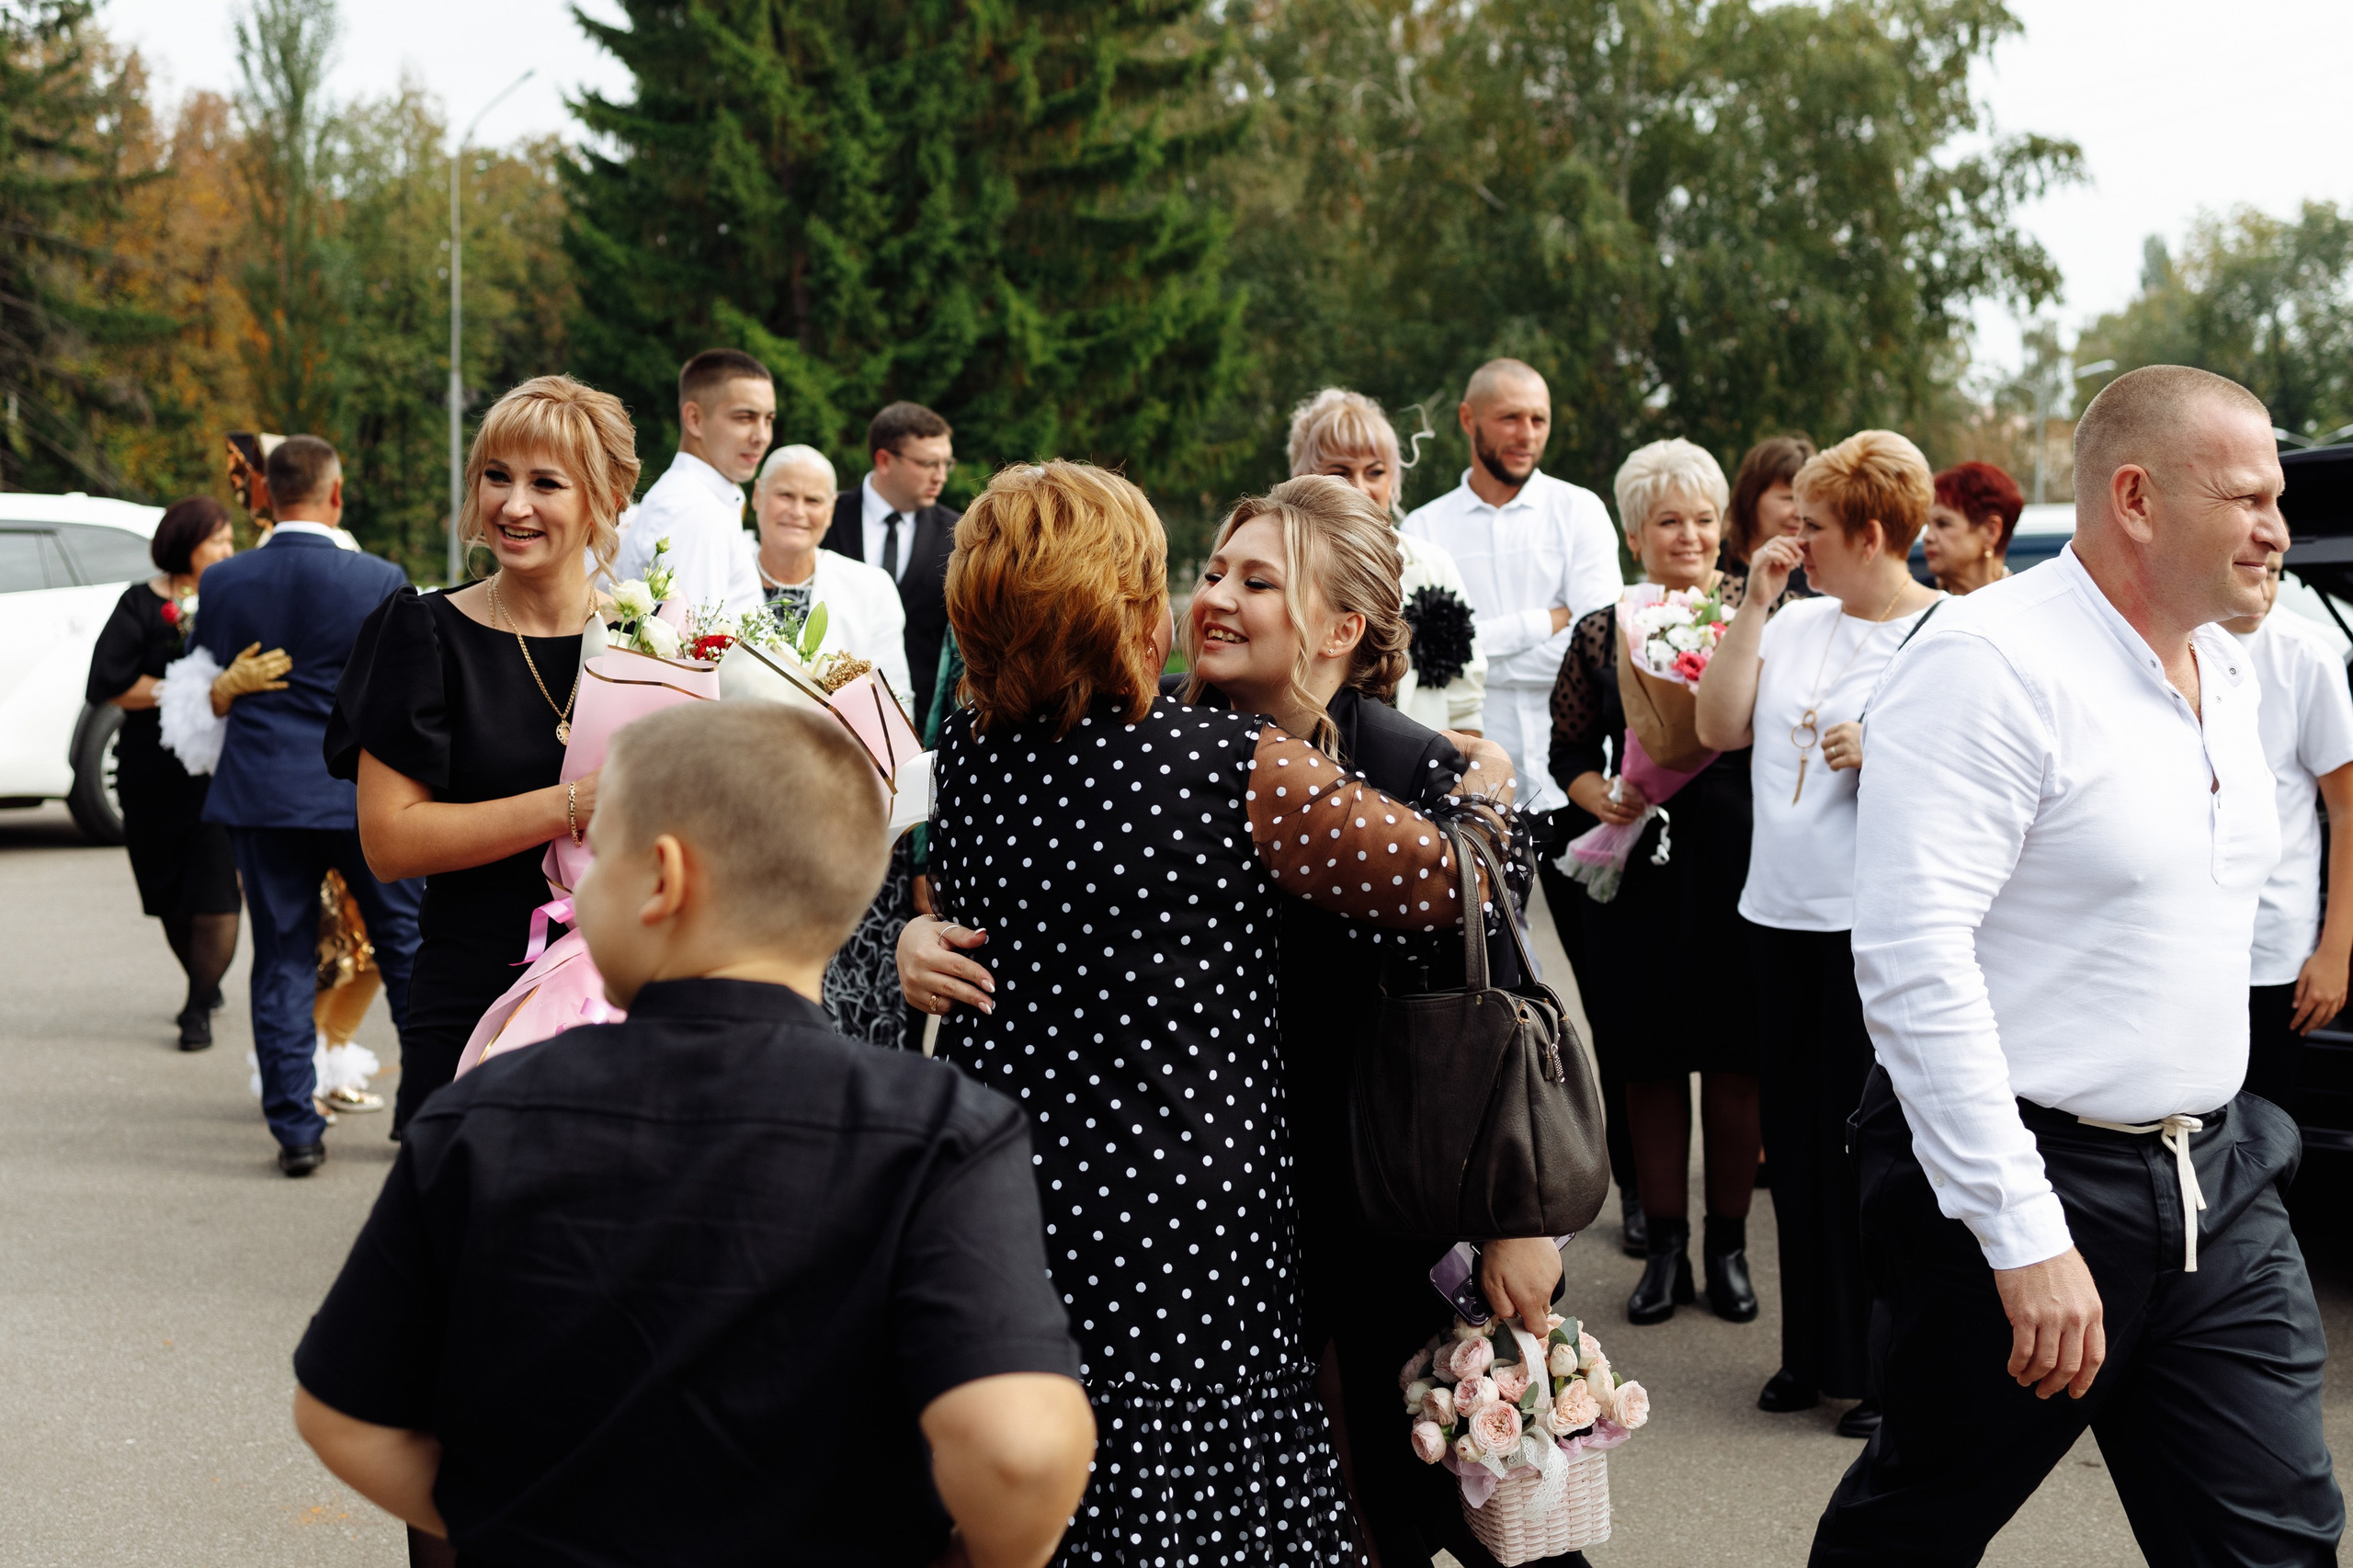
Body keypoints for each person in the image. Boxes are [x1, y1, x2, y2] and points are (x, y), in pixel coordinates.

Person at [291, 701, 1097, 1568]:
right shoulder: (941, 1134)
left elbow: (340, 1412)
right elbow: (1021, 1454)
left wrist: (513, 1516)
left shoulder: (482, 1116)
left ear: (664, 879)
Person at [899, 460, 1509, 1566]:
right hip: (1185, 1211)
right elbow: (1450, 879)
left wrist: (904, 934)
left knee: (1047, 1470)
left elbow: (935, 904)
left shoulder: (974, 766)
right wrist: (1478, 795)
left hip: (1008, 1187)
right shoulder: (1230, 766)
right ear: (1125, 606)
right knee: (1205, 1493)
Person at [1814, 367, 2344, 1562]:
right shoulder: (1988, 664)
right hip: (2022, 1179)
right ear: (2138, 499)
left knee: (2277, 1539)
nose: (2276, 526)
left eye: (2279, 500)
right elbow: (1912, 956)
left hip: (2221, 1182)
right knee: (1919, 1520)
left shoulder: (2239, 664)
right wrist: (2022, 1229)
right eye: (2249, 497)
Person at [1693, 430, 1943, 1437]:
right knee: (1793, 1142)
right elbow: (1716, 727)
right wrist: (1754, 602)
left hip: (1872, 926)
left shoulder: (1950, 634)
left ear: (1873, 534)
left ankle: (1888, 1367)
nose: (1796, 541)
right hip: (1777, 915)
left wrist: (1886, 753)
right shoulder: (1794, 620)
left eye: (1814, 527)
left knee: (1875, 1150)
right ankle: (1813, 1350)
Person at [332, 375, 638, 1135]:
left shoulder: (653, 640)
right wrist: (572, 807)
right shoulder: (422, 634)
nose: (513, 505)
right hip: (474, 993)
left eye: (546, 483)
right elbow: (391, 843)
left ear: (606, 499)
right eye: (496, 477)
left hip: (630, 995)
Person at [1550, 439, 1761, 1328]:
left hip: (1744, 860)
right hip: (1647, 862)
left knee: (1739, 1057)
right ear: (1637, 532)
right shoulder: (1603, 627)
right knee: (1649, 1058)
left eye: (1704, 519)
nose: (1689, 535)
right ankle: (1666, 1249)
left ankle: (1730, 1246)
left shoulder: (1759, 614)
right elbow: (1568, 753)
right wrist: (1602, 793)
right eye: (1669, 520)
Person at [178, 437, 420, 1176]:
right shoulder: (379, 578)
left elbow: (208, 672)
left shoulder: (225, 583)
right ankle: (425, 1115)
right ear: (336, 494)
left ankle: (296, 1130)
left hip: (262, 793)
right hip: (356, 793)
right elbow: (403, 689)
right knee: (407, 946)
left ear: (267, 496)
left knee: (280, 956)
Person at [746, 441, 917, 1047]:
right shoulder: (720, 574)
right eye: (784, 495)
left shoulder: (867, 587)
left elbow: (894, 704)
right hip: (743, 821)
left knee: (851, 1004)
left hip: (844, 816)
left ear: (831, 509)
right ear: (757, 501)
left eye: (813, 499)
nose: (797, 509)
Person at [1403, 359, 1622, 813]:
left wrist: (1473, 653)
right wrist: (1546, 621)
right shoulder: (1423, 527)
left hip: (1582, 783)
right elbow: (1422, 660)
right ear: (1468, 419)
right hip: (1470, 791)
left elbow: (1598, 655)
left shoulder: (1581, 511)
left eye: (1538, 419)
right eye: (1510, 418)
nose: (1527, 435)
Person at [86, 497, 243, 1051]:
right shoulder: (138, 604)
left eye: (230, 541)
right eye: (218, 541)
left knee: (217, 891)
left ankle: (197, 1006)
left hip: (216, 772)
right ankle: (204, 978)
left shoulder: (235, 598)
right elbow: (107, 684)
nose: (229, 551)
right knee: (169, 894)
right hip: (151, 774)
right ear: (185, 545)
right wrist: (180, 690)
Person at [2222, 553, 2353, 1112]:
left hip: (2274, 951)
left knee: (2264, 1139)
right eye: (2249, 567)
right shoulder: (2171, 649)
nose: (2265, 584)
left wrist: (2335, 949)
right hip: (2186, 947)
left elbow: (2345, 811)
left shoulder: (2306, 658)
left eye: (2275, 570)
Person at [1285, 387, 1487, 733]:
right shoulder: (1281, 567)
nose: (1360, 487)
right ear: (1304, 477)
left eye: (1375, 472)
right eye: (1340, 471)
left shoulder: (1433, 566)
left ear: (1394, 479)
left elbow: (1465, 706)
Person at [821, 401, 959, 735]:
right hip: (824, 717)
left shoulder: (959, 534)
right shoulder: (824, 517)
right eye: (928, 463)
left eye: (946, 463)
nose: (940, 476)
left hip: (922, 726)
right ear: (884, 460)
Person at [609, 348, 769, 617]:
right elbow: (691, 648)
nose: (762, 436)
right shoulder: (695, 510)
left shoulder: (702, 501)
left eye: (769, 419)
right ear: (694, 419)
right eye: (745, 418)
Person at [1721, 436, 1816, 607]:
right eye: (1790, 499)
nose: (1800, 514)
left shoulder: (1817, 577)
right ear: (1751, 497)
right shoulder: (1712, 562)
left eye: (1808, 502)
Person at [1921, 460, 2024, 595]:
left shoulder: (2032, 600)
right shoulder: (1913, 604)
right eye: (1928, 524)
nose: (1927, 536)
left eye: (1943, 524)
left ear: (1991, 532)